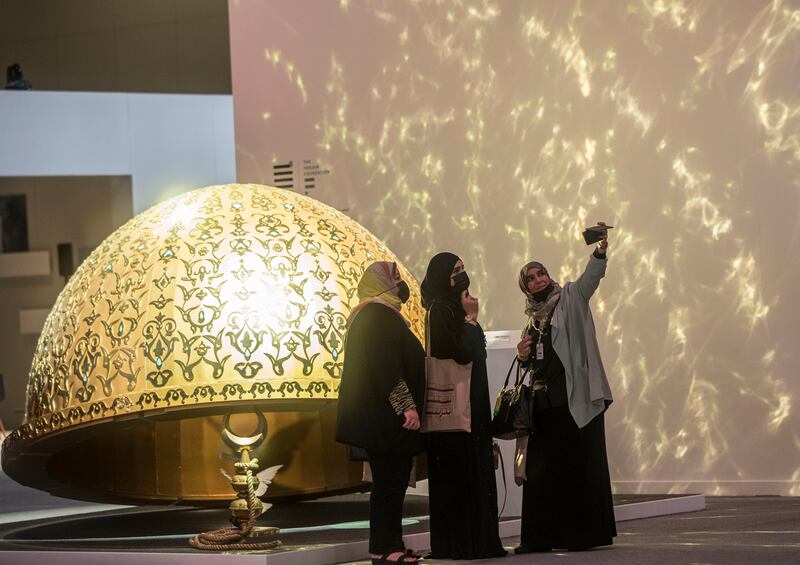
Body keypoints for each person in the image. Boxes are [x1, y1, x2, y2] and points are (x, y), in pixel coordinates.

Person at [514, 222, 616, 553]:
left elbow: (591, 279)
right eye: (531, 278)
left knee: (576, 470)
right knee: (541, 474)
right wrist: (523, 354)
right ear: (526, 287)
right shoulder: (532, 319)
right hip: (544, 408)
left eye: (541, 273)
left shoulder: (570, 297)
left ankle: (578, 537)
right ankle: (539, 539)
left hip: (573, 401)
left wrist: (599, 250)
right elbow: (536, 364)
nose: (539, 279)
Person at [336, 261, 426, 564]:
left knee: (391, 483)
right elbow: (386, 367)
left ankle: (389, 546)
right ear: (381, 283)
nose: (401, 283)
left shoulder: (375, 315)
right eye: (395, 278)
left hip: (384, 417)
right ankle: (386, 550)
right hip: (386, 419)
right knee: (390, 484)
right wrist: (407, 406)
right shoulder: (377, 316)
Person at [420, 252, 506, 560]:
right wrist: (471, 318)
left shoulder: (447, 309)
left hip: (469, 405)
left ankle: (475, 541)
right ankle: (466, 543)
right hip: (459, 410)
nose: (462, 275)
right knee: (463, 472)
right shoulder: (442, 310)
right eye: (455, 271)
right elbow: (462, 353)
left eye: (463, 269)